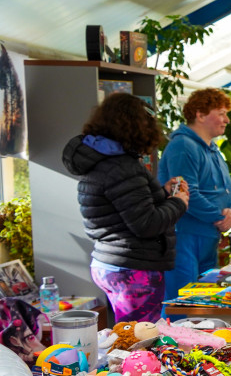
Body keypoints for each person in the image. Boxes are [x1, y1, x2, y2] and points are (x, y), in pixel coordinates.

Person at [63, 93, 189, 322]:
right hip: (132, 270)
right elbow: (146, 224)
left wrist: (162, 193)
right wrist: (178, 202)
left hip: (110, 264)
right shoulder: (122, 168)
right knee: (138, 342)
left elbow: (125, 208)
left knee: (126, 336)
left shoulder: (101, 162)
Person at [158, 88, 231, 301]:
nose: (227, 120)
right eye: (221, 113)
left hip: (208, 238)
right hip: (184, 237)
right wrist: (221, 217)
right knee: (182, 304)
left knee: (202, 304)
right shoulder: (183, 146)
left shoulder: (213, 150)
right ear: (200, 115)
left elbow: (230, 191)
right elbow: (185, 193)